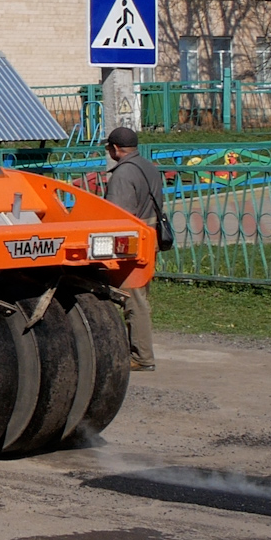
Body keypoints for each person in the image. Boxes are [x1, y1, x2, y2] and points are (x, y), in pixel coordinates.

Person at [100, 126, 162, 372]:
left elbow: (118, 216)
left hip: (132, 242)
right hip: (150, 236)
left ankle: (142, 357)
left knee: (132, 300)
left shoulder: (124, 174)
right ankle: (136, 350)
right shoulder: (148, 166)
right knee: (140, 296)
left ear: (115, 148)